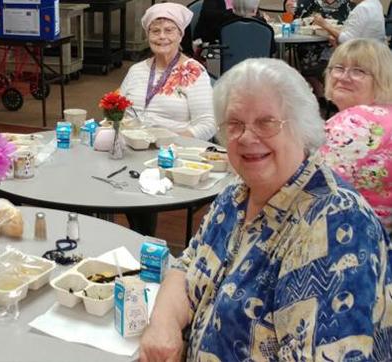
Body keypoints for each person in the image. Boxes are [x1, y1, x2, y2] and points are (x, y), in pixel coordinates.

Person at [139, 58, 392, 361]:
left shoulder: (336, 224)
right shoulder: (235, 194)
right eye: (235, 124)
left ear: (301, 127)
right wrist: (163, 325)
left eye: (266, 122)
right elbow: (187, 268)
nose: (247, 137)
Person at [320, 39, 392, 234]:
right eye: (339, 68)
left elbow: (308, 181)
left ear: (380, 79)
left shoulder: (357, 122)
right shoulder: (384, 114)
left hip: (346, 236)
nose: (344, 77)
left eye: (358, 71)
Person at [119, 2, 216, 141]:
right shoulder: (136, 70)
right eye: (155, 31)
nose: (162, 36)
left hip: (173, 152)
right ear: (148, 36)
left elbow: (208, 124)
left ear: (180, 35)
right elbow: (117, 110)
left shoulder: (194, 72)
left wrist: (170, 141)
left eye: (169, 30)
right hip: (131, 146)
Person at [313, 0, 386, 45]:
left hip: (361, 57)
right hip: (376, 53)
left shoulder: (362, 8)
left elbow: (347, 40)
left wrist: (325, 24)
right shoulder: (376, 3)